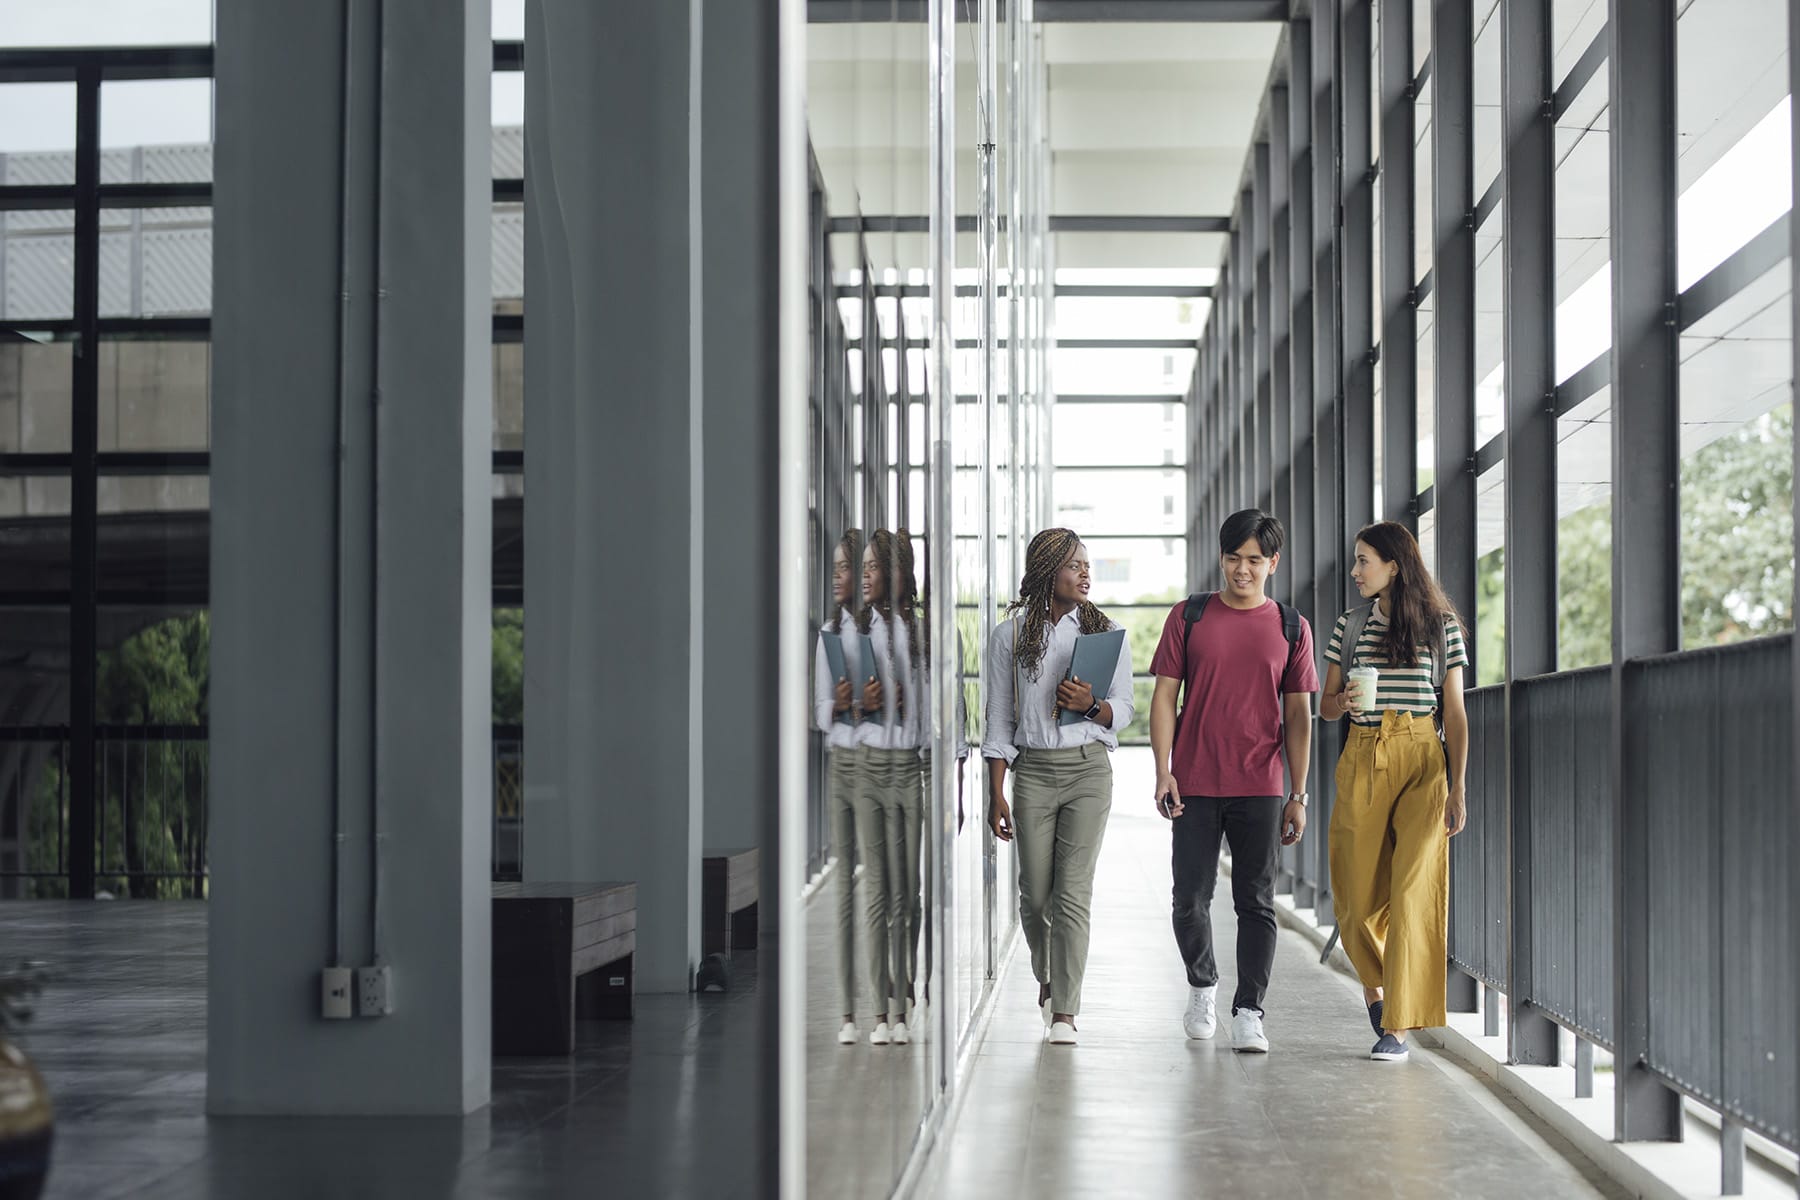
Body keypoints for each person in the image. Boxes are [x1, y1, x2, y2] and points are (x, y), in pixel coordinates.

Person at [1149, 509, 1318, 1054]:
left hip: (1262, 784)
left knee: (1256, 901)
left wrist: (1299, 793)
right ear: (1221, 559)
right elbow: (1163, 699)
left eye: (1252, 560)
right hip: (1195, 780)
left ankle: (1249, 1010)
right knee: (1188, 900)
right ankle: (1203, 986)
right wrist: (1162, 769)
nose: (1241, 570)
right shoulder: (1189, 616)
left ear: (1273, 562)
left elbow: (1298, 716)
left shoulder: (1292, 626)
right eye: (1231, 559)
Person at [1319, 520, 1470, 1062]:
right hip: (1364, 751)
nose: (1356, 571)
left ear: (1394, 565)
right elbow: (1325, 704)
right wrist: (1344, 706)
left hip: (1424, 756)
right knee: (1356, 902)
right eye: (1357, 560)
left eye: (1364, 560)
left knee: (1413, 894)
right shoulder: (1350, 626)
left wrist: (1457, 787)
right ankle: (1378, 993)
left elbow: (1454, 710)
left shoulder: (1441, 626)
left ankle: (1398, 1027)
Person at [982, 528, 1134, 1046]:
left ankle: (1066, 1010)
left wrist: (1091, 704)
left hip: (1089, 771)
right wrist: (994, 791)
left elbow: (1124, 711)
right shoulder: (1010, 635)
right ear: (1049, 571)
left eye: (1087, 565)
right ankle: (1049, 977)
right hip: (1034, 774)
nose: (1086, 573)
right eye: (1075, 565)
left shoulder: (1105, 632)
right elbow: (999, 719)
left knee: (1072, 894)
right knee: (1034, 897)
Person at [859, 529, 927, 1046]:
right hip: (869, 769)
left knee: (910, 891)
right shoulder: (852, 636)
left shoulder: (926, 636)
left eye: (873, 567)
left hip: (914, 771)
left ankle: (904, 982)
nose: (863, 576)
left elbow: (950, 716)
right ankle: (882, 1001)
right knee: (880, 890)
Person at [814, 529, 877, 1046]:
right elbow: (818, 713)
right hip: (844, 765)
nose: (836, 577)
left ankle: (884, 997)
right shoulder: (829, 635)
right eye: (833, 568)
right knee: (844, 886)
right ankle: (849, 1008)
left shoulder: (895, 632)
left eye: (843, 568)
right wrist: (838, 704)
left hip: (886, 765)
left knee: (884, 886)